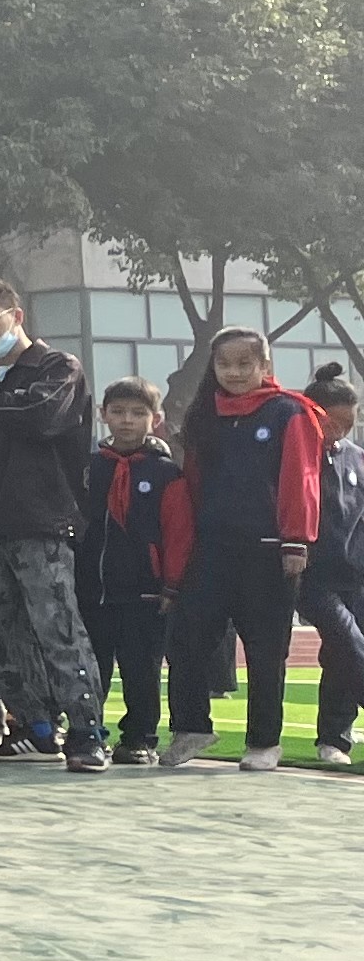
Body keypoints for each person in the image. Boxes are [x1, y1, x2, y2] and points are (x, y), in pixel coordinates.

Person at [0, 277, 101, 770]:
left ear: (16, 316)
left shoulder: (57, 368)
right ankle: (33, 725)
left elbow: (40, 419)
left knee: (57, 627)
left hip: (40, 524)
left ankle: (87, 730)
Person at [161, 323, 321, 775]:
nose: (233, 372)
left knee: (266, 650)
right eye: (224, 364)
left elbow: (301, 480)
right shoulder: (203, 415)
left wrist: (296, 542)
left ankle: (264, 742)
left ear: (264, 366)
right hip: (210, 549)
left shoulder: (289, 413)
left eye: (243, 363)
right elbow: (191, 483)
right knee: (187, 640)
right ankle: (191, 727)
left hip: (270, 551)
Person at [78, 380, 190, 768]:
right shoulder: (88, 468)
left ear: (154, 419)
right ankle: (88, 734)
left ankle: (139, 737)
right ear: (103, 415)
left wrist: (171, 584)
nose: (127, 420)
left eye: (138, 413)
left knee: (141, 671)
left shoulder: (165, 473)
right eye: (119, 411)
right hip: (90, 589)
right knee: (91, 669)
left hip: (144, 591)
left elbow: (177, 533)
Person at [297, 365, 364, 773]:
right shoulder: (296, 455)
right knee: (350, 643)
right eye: (332, 422)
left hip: (356, 573)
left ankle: (334, 737)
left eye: (349, 423)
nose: (340, 431)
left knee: (339, 654)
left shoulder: (357, 457)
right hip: (314, 574)